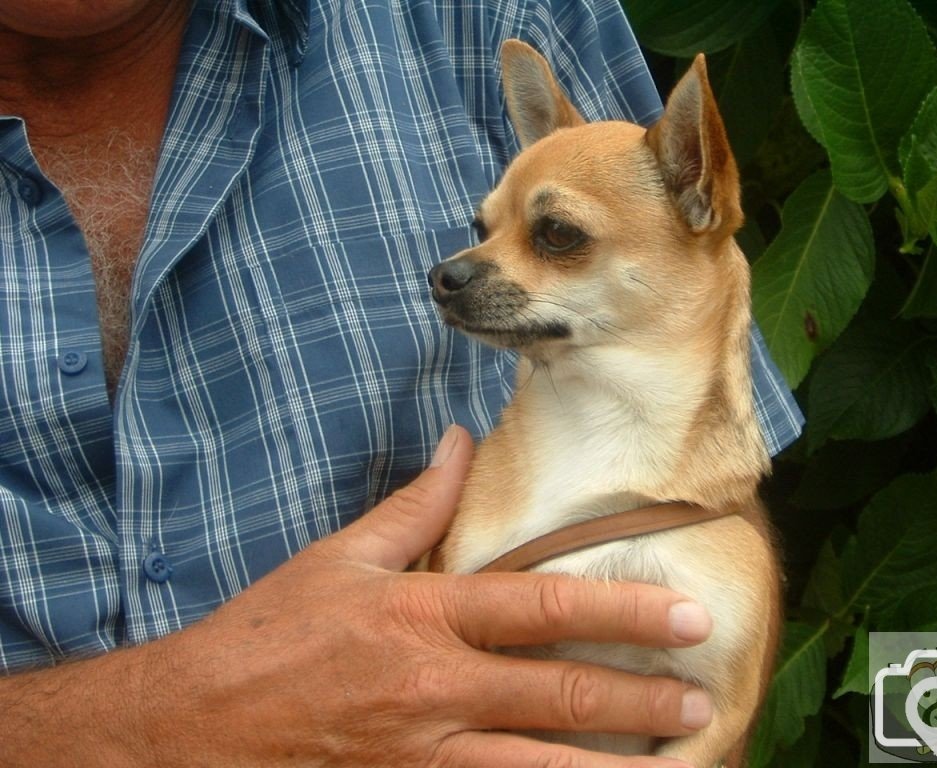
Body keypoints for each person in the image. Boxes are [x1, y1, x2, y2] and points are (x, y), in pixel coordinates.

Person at [0, 0, 803, 764]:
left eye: (556, 237)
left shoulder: (488, 15)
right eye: (490, 231)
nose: (464, 270)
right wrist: (151, 725)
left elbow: (723, 481)